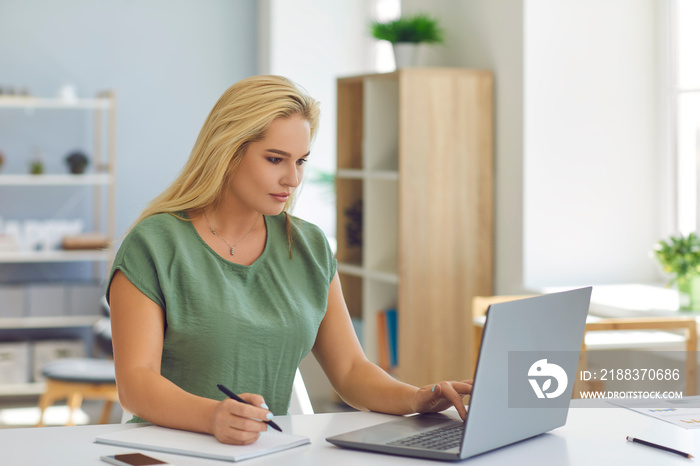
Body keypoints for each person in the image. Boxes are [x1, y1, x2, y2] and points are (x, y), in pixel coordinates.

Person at [107, 75, 473, 446]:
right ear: (227, 151)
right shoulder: (153, 245)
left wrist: (416, 398)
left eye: (300, 161)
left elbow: (350, 371)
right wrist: (213, 416)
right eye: (275, 159)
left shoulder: (308, 245)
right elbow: (136, 384)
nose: (293, 178)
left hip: (263, 453)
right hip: (167, 452)